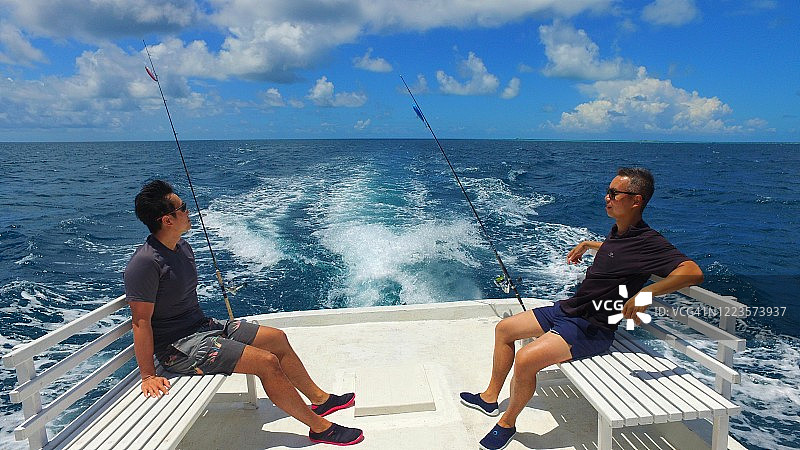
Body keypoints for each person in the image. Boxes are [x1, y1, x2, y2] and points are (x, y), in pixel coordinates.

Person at [460, 168, 704, 450]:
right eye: (608, 192)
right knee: (504, 329)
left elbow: (693, 271)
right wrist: (589, 244)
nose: (607, 198)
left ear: (636, 200)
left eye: (614, 193)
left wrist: (647, 292)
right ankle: (490, 398)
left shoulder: (649, 242)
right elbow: (618, 253)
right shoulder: (620, 232)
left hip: (592, 328)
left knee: (526, 359)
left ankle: (507, 424)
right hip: (570, 310)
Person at [124, 180, 363, 446]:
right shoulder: (145, 263)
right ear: (167, 220)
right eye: (183, 208)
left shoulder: (182, 248)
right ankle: (320, 428)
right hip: (178, 348)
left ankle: (321, 400)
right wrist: (148, 375)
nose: (189, 212)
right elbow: (141, 322)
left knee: (276, 338)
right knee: (266, 362)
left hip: (202, 328)